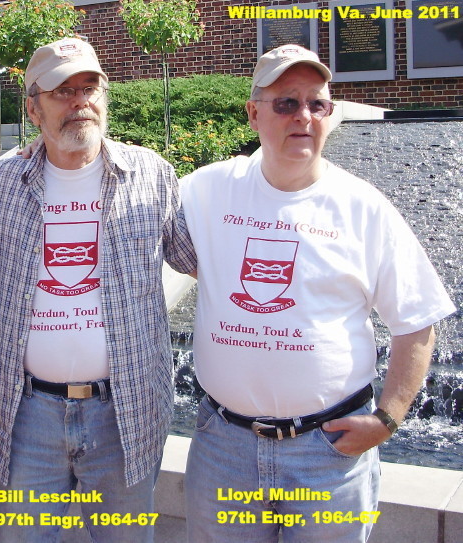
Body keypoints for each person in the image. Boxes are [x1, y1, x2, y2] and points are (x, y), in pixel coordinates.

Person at [180, 44, 456, 542]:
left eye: (317, 104)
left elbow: (417, 318)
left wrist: (387, 419)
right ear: (253, 113)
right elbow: (128, 203)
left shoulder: (365, 208)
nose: (303, 116)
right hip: (224, 448)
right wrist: (48, 151)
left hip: (329, 453)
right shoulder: (205, 191)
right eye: (286, 102)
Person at [0, 37, 197, 542]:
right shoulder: (1, 183)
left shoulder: (152, 175)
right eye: (62, 91)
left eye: (90, 87)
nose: (80, 101)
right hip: (28, 414)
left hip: (125, 413)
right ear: (34, 109)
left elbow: (201, 263)